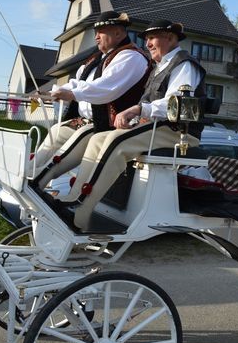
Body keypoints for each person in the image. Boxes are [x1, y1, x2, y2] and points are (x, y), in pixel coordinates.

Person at [52, 19, 206, 230]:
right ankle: (73, 198)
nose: (148, 44)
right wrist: (134, 118)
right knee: (98, 138)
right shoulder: (161, 67)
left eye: (152, 38)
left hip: (179, 132)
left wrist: (137, 110)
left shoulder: (184, 64)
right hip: (157, 128)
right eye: (146, 40)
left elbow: (176, 102)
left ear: (170, 38)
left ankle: (80, 212)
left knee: (117, 142)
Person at [31, 11, 151, 189]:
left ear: (118, 33)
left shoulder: (131, 57)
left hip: (105, 125)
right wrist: (55, 91)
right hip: (84, 121)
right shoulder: (97, 58)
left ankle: (37, 184)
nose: (96, 37)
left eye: (100, 32)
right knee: (55, 132)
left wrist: (72, 95)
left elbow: (105, 88)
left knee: (61, 158)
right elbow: (77, 83)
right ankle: (29, 171)